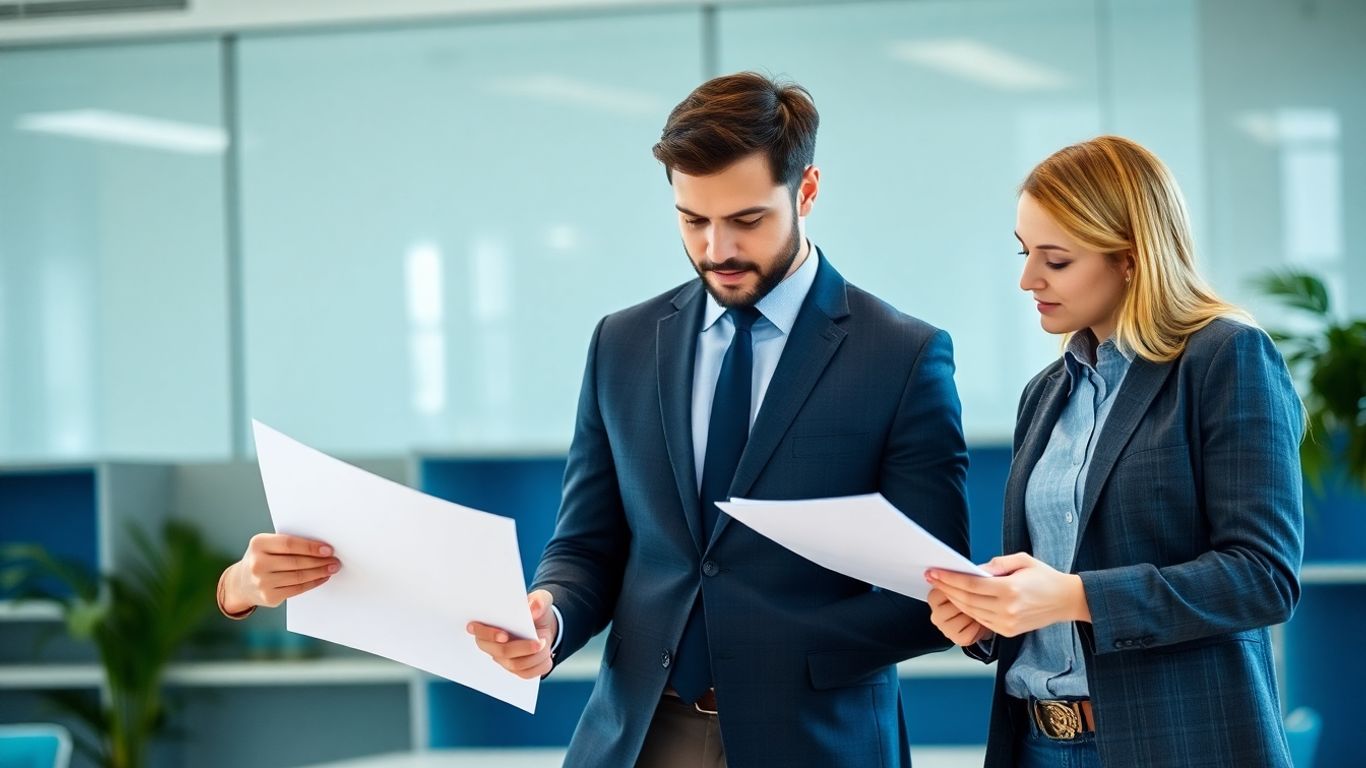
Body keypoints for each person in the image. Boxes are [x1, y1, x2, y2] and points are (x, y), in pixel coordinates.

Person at [219, 72, 970, 767]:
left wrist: (781, 652)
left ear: (806, 190)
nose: (717, 250)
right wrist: (549, 617)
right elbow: (588, 543)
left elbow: (936, 596)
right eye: (692, 219)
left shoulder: (901, 355)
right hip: (640, 733)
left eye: (746, 220)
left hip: (817, 741)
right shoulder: (624, 343)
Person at [925, 135, 1303, 768]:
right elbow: (1054, 582)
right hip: (1037, 741)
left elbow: (1263, 578)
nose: (1027, 279)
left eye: (1056, 259)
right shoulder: (1047, 394)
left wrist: (1074, 597)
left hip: (1177, 742)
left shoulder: (1223, 358)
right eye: (1025, 253)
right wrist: (995, 617)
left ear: (1130, 259)